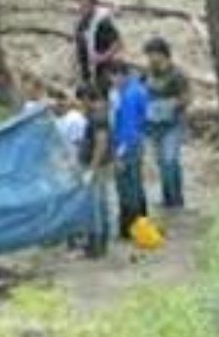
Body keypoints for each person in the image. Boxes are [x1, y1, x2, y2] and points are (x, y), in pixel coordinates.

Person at [143, 37, 190, 209]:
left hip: (172, 124)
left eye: (153, 55)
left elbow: (187, 98)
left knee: (170, 161)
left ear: (163, 54)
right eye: (148, 56)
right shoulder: (148, 73)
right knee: (161, 163)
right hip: (153, 125)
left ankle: (177, 199)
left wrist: (168, 105)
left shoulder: (177, 74)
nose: (151, 59)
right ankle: (167, 198)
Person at [108, 61, 149, 239]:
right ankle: (141, 223)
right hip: (136, 142)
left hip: (127, 145)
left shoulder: (130, 95)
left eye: (115, 76)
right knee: (136, 185)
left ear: (123, 75)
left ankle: (130, 227)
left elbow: (128, 126)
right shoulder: (135, 90)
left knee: (127, 187)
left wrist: (118, 153)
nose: (113, 80)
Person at [78, 86, 112, 257]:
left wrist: (91, 169)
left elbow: (101, 144)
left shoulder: (98, 116)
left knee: (95, 205)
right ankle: (102, 242)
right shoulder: (98, 113)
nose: (80, 105)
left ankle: (96, 244)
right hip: (100, 164)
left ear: (86, 99)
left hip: (97, 166)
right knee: (101, 203)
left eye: (81, 101)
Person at [74, 0, 122, 96]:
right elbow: (80, 47)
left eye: (85, 6)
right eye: (81, 6)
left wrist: (103, 57)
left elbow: (117, 43)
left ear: (93, 6)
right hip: (87, 70)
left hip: (104, 68)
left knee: (103, 94)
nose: (82, 9)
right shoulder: (81, 24)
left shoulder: (103, 22)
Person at [55, 86, 90, 171]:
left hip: (75, 162)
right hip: (72, 160)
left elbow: (78, 144)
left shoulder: (74, 118)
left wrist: (72, 163)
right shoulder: (67, 118)